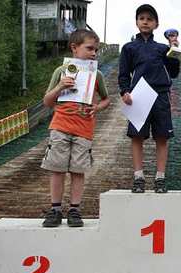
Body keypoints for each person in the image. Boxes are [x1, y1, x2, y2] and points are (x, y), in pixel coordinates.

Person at [41, 29, 110, 227]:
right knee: (57, 168)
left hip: (84, 129)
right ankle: (55, 209)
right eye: (89, 48)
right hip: (60, 126)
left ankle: (74, 209)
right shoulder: (60, 72)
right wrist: (60, 87)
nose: (94, 53)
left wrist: (96, 107)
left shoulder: (97, 74)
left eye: (96, 50)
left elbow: (106, 99)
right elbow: (47, 101)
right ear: (74, 48)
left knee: (78, 170)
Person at [118, 4, 180, 193]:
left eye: (149, 19)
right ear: (136, 22)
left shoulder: (162, 48)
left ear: (156, 24)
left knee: (162, 137)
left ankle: (160, 178)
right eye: (142, 18)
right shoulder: (129, 48)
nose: (145, 21)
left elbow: (174, 73)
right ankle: (139, 177)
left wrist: (174, 52)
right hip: (138, 96)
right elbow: (123, 74)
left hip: (161, 95)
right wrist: (124, 92)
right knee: (137, 137)